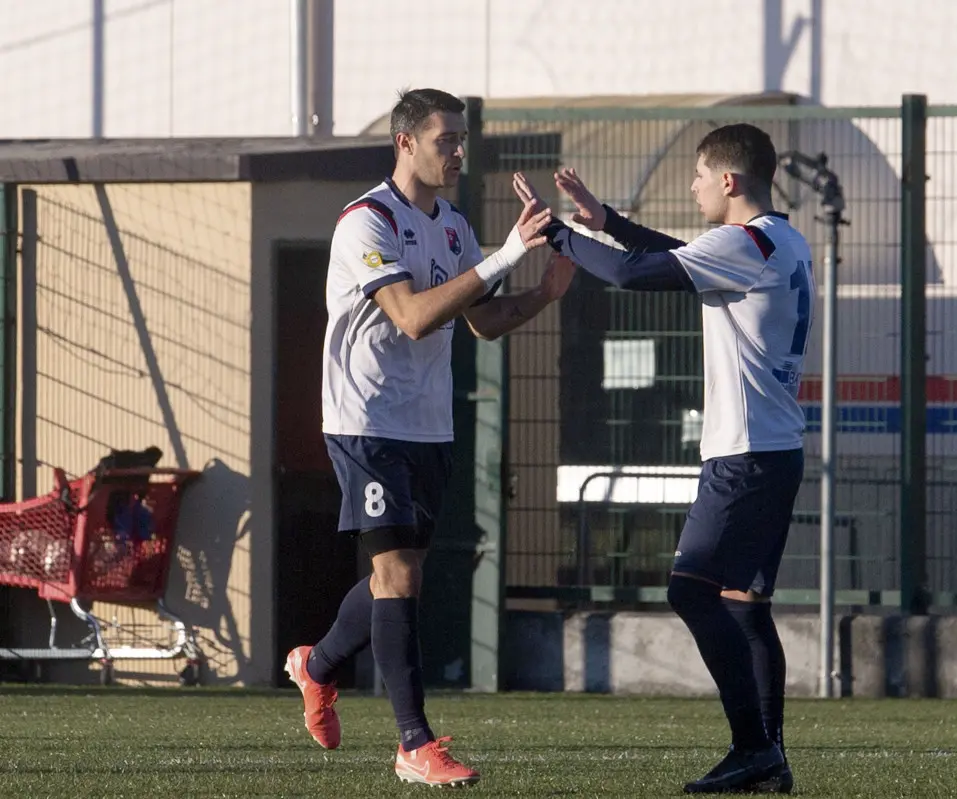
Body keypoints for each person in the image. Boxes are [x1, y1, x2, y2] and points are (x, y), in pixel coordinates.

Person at [283, 88, 574, 787]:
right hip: (367, 421)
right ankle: (414, 743)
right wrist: (504, 255)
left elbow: (481, 320)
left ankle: (316, 664)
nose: (458, 151)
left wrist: (543, 291)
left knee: (398, 578)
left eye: (462, 139)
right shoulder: (366, 222)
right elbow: (413, 316)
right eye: (446, 139)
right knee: (400, 575)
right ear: (404, 142)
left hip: (428, 424)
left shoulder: (453, 227)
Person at [515, 121, 811, 793]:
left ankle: (753, 748)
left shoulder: (743, 242)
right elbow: (676, 256)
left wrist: (557, 233)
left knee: (690, 590)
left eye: (700, 175)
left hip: (743, 458)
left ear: (729, 182)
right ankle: (768, 757)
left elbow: (631, 273)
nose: (692, 184)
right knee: (742, 604)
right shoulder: (781, 238)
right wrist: (611, 220)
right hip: (776, 451)